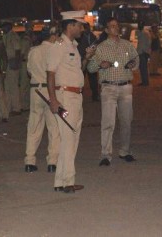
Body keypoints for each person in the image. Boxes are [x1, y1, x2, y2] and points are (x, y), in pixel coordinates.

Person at [47, 10, 94, 194]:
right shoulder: (59, 46)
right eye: (79, 25)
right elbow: (50, 73)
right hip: (65, 97)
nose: (82, 28)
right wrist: (53, 100)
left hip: (75, 97)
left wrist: (87, 58)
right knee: (69, 139)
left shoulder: (73, 46)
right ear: (70, 25)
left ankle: (60, 181)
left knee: (71, 138)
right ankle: (67, 181)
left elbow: (77, 72)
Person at [88, 18, 139, 166]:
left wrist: (132, 64)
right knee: (108, 122)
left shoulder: (127, 45)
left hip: (126, 87)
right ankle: (105, 154)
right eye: (112, 26)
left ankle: (125, 150)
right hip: (108, 87)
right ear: (106, 30)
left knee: (126, 121)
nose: (115, 28)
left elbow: (136, 60)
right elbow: (91, 68)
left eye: (117, 26)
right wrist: (100, 65)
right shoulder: (101, 47)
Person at [24, 26, 60, 173]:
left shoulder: (33, 51)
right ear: (53, 36)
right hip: (51, 91)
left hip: (35, 90)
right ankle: (52, 162)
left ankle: (29, 161)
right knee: (54, 127)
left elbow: (29, 70)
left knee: (34, 126)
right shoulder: (55, 50)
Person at [2, 21, 22, 115]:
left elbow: (18, 50)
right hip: (7, 62)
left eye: (4, 27)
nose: (3, 29)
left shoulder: (13, 36)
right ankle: (9, 107)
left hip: (12, 62)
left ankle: (16, 108)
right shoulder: (5, 36)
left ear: (9, 27)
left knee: (13, 86)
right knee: (7, 86)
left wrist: (16, 63)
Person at [78, 23, 100, 101]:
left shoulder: (92, 36)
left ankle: (95, 96)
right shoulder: (80, 36)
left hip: (91, 60)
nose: (88, 29)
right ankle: (79, 95)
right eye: (86, 27)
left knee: (93, 80)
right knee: (81, 79)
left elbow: (96, 45)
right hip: (83, 59)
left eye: (88, 27)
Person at [19, 27, 33, 111]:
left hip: (27, 63)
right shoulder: (25, 41)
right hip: (24, 63)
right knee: (24, 85)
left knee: (27, 86)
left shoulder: (28, 40)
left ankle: (26, 105)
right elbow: (22, 53)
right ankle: (22, 105)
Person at [136, 21, 151, 86]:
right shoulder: (146, 33)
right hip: (145, 51)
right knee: (143, 68)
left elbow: (142, 43)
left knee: (143, 68)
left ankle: (145, 82)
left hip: (142, 52)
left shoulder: (142, 33)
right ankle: (145, 81)